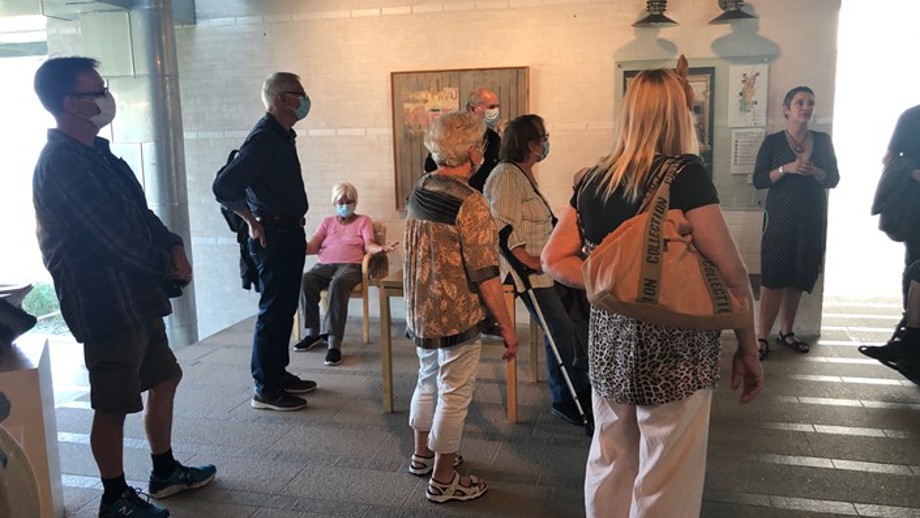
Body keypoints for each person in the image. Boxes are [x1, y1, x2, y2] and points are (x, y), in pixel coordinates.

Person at [541, 67, 763, 518]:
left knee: (611, 457)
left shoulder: (593, 179)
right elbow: (732, 272)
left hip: (609, 341)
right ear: (678, 114)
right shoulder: (686, 175)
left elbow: (553, 258)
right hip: (676, 345)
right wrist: (748, 347)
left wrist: (610, 283)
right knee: (667, 469)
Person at [32, 57, 215, 518]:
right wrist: (166, 266)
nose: (106, 97)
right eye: (97, 90)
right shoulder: (61, 165)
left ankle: (164, 471)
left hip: (137, 295)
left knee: (165, 376)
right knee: (113, 403)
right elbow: (111, 240)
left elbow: (141, 215)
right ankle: (114, 497)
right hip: (105, 303)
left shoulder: (100, 154)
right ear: (71, 103)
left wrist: (173, 245)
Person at [404, 110, 519, 503]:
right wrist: (507, 326)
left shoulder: (422, 186)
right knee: (454, 393)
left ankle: (422, 454)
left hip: (421, 310)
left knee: (426, 379)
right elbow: (486, 275)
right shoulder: (471, 203)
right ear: (472, 151)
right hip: (455, 315)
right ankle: (443, 478)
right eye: (482, 145)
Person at [212, 72, 316, 411]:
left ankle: (278, 373)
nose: (305, 99)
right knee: (273, 311)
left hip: (290, 232)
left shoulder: (282, 136)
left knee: (284, 309)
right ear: (282, 98)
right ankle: (265, 387)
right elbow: (224, 186)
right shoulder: (264, 138)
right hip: (274, 235)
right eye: (299, 93)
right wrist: (250, 220)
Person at [483, 114, 592, 427]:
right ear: (531, 144)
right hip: (527, 272)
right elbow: (501, 226)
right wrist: (529, 261)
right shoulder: (506, 176)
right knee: (560, 329)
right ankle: (567, 399)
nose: (546, 144)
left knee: (573, 324)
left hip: (546, 267)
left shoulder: (523, 174)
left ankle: (578, 387)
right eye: (543, 138)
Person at [752, 86, 840, 358]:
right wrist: (785, 169)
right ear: (786, 109)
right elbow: (759, 180)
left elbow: (834, 179)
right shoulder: (773, 142)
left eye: (810, 103)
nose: (806, 107)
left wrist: (816, 171)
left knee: (799, 275)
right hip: (780, 217)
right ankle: (762, 336)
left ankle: (786, 332)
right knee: (775, 276)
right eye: (800, 102)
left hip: (811, 217)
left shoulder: (822, 141)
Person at [293, 182, 398, 365]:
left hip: (350, 267)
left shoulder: (363, 221)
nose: (345, 205)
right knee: (305, 280)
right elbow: (312, 246)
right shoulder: (326, 223)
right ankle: (313, 333)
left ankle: (334, 343)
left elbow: (369, 244)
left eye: (349, 202)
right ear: (334, 203)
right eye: (341, 202)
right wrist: (292, 242)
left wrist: (380, 248)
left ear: (355, 202)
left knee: (337, 283)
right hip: (324, 266)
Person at [858, 106, 920, 381]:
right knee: (915, 271)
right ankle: (910, 339)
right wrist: (913, 173)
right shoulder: (912, 117)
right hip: (915, 210)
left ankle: (909, 342)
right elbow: (890, 157)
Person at [424, 87, 501, 192]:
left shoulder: (493, 138)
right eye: (491, 107)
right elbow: (432, 165)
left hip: (480, 194)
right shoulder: (450, 132)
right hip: (446, 191)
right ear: (472, 109)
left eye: (497, 107)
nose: (495, 111)